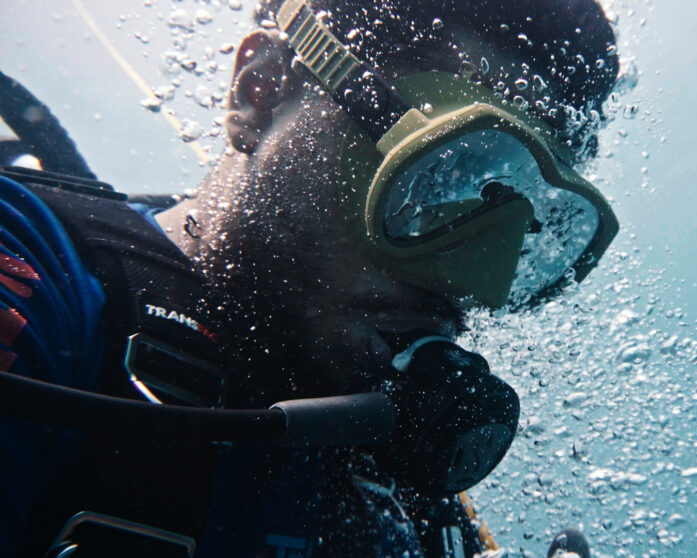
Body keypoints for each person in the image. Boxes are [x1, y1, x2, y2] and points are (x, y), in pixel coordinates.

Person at [0, 0, 620, 555]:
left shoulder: (405, 494)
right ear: (263, 90)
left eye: (533, 230)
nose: (477, 283)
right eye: (445, 173)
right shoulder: (38, 274)